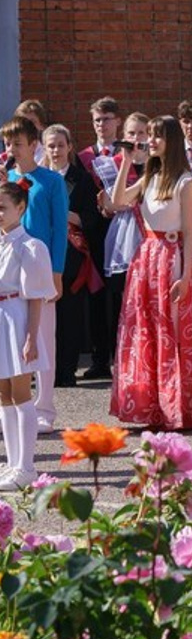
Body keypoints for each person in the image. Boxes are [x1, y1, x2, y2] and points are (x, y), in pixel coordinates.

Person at [109, 116, 192, 431]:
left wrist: (186, 275)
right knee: (144, 329)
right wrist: (125, 163)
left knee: (169, 331)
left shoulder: (185, 182)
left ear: (170, 141)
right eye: (149, 136)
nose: (151, 141)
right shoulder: (150, 176)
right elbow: (118, 200)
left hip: (171, 255)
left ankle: (174, 407)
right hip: (146, 257)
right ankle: (149, 406)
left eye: (157, 136)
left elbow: (189, 232)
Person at [3, 116, 68, 432]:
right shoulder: (6, 180)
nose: (11, 149)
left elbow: (58, 230)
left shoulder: (51, 181)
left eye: (17, 143)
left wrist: (56, 272)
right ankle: (13, 405)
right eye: (7, 143)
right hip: (9, 270)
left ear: (33, 145)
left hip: (39, 267)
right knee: (11, 340)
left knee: (43, 339)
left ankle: (44, 407)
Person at [0, 180, 56, 489]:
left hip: (16, 319)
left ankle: (26, 466)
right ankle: (12, 462)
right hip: (0, 319)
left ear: (20, 208)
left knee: (21, 394)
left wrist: (32, 337)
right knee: (3, 395)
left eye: (3, 207)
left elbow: (35, 297)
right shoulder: (1, 243)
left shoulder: (30, 247)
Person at [43, 124, 103, 390]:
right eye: (51, 146)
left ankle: (66, 371)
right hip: (42, 255)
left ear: (69, 147)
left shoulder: (81, 179)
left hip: (72, 256)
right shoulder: (38, 179)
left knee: (70, 314)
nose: (56, 150)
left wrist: (61, 212)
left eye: (60, 145)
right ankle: (45, 371)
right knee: (44, 316)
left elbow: (90, 219)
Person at [100, 112, 150, 375]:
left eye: (141, 133)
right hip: (124, 235)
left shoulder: (158, 163)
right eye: (131, 133)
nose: (136, 138)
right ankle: (123, 355)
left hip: (151, 234)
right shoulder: (112, 163)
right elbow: (113, 203)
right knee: (122, 299)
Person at [78, 96, 121, 380]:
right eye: (97, 120)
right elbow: (82, 198)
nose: (101, 125)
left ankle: (121, 356)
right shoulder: (84, 157)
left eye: (106, 119)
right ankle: (99, 358)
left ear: (117, 121)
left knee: (119, 296)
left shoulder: (127, 153)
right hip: (96, 232)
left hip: (122, 231)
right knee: (96, 295)